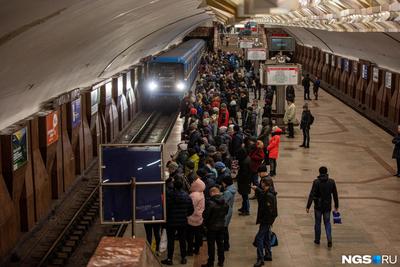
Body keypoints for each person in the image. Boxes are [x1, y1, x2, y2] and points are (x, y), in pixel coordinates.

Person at [162, 177, 194, 265]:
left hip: (171, 222)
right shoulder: (187, 196)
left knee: (170, 240)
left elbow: (166, 209)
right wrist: (185, 215)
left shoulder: (169, 195)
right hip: (183, 222)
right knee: (182, 240)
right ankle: (183, 258)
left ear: (174, 186)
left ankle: (169, 259)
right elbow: (191, 210)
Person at [306, 166, 339, 248]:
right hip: (327, 206)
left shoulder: (316, 182)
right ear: (326, 172)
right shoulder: (331, 182)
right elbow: (335, 194)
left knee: (318, 223)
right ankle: (329, 239)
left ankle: (317, 240)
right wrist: (336, 205)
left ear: (319, 172)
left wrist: (308, 206)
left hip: (318, 206)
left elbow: (312, 194)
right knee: (327, 223)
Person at [252, 178, 278, 267]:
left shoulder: (269, 195)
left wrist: (268, 221)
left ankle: (260, 258)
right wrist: (257, 189)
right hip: (267, 220)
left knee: (259, 238)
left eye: (261, 183)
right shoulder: (269, 192)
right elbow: (263, 194)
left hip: (266, 220)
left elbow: (271, 210)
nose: (261, 185)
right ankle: (268, 254)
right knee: (266, 236)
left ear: (264, 184)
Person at [201, 187, 229, 267]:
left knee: (211, 245)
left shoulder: (210, 203)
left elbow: (205, 215)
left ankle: (210, 262)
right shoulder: (225, 202)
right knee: (220, 244)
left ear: (212, 193)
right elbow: (226, 212)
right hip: (221, 226)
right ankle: (221, 261)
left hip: (211, 227)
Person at [187, 176, 206, 256]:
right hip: (200, 218)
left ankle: (190, 250)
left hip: (192, 218)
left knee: (190, 236)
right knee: (198, 235)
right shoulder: (201, 193)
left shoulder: (194, 195)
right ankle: (197, 250)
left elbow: (191, 206)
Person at [222, 176, 236, 251]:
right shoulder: (232, 188)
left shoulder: (227, 192)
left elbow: (223, 201)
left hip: (226, 212)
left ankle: (226, 245)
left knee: (224, 229)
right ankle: (226, 244)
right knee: (225, 228)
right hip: (229, 210)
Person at [236, 147, 251, 215]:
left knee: (245, 196)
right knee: (244, 196)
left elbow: (244, 173)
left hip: (244, 182)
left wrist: (238, 178)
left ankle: (246, 210)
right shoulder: (246, 158)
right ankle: (244, 207)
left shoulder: (244, 162)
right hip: (246, 181)